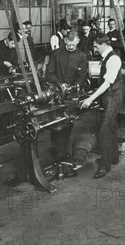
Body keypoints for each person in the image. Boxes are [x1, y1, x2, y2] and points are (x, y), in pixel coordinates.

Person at [81, 34, 125, 178]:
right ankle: (113, 156)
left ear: (104, 45)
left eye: (96, 46)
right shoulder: (106, 57)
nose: (95, 49)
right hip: (108, 96)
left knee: (104, 130)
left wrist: (90, 98)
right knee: (111, 126)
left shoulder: (113, 59)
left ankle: (105, 165)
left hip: (113, 97)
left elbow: (107, 83)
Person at [45, 31, 87, 177]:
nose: (70, 47)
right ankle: (58, 155)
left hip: (71, 97)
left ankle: (62, 154)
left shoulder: (82, 56)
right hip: (56, 95)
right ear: (64, 40)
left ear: (78, 41)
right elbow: (48, 73)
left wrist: (75, 86)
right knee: (55, 125)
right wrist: (59, 84)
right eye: (68, 44)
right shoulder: (56, 54)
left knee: (68, 124)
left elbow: (83, 76)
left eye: (73, 45)